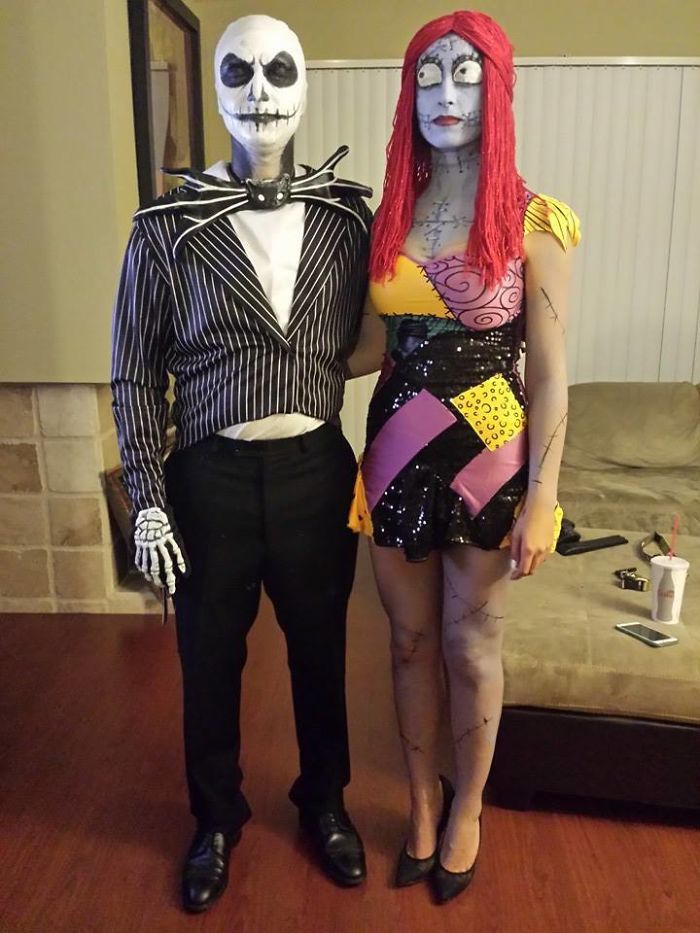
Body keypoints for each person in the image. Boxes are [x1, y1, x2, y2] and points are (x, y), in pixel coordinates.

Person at [111, 15, 372, 914]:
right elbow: (133, 368)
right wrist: (148, 498)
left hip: (316, 471)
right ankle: (215, 817)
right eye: (238, 72)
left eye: (279, 71)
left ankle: (325, 800)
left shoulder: (347, 216)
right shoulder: (167, 224)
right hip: (208, 476)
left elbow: (388, 324)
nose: (260, 91)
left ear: (304, 87)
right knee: (209, 656)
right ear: (218, 91)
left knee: (321, 649)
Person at [347, 10, 580, 905]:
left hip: (491, 454)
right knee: (407, 642)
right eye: (429, 75)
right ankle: (419, 800)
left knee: (471, 645)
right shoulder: (389, 217)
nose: (446, 93)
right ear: (409, 93)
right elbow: (371, 348)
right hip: (394, 450)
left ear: (499, 90)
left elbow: (550, 374)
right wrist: (272, 349)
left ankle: (469, 808)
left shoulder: (533, 219)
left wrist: (543, 497)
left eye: (467, 74)